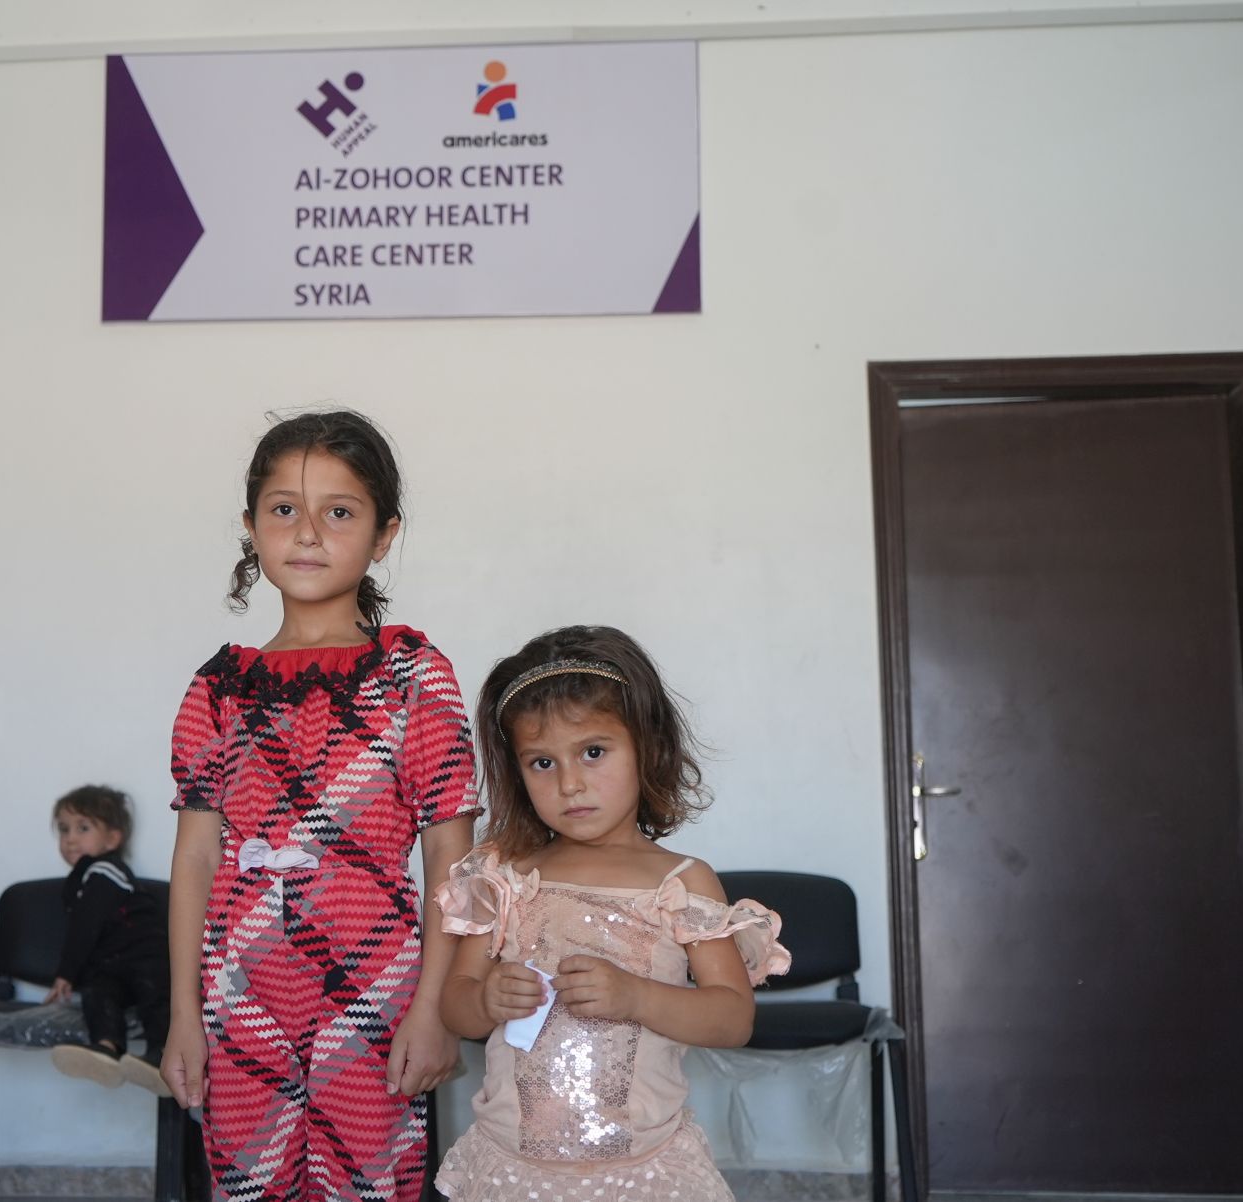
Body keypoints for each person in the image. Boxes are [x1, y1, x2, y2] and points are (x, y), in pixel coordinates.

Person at [162, 409, 480, 1201]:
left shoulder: (413, 675)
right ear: (250, 527)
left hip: (376, 983)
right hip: (239, 986)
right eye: (284, 509)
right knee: (250, 1183)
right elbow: (196, 857)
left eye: (339, 512)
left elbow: (452, 857)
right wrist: (183, 1013)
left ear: (383, 535)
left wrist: (434, 1007)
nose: (307, 533)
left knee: (368, 1184)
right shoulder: (218, 687)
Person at [434, 626, 793, 1201]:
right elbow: (457, 1005)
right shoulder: (503, 875)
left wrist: (635, 996)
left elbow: (732, 1019)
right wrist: (484, 1000)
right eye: (542, 762)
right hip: (514, 1171)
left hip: (643, 1172)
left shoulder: (681, 882)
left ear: (647, 746)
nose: (570, 784)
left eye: (593, 752)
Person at [45, 785, 171, 1095]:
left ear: (112, 839)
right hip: (113, 965)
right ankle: (106, 1048)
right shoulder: (81, 879)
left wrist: (66, 973)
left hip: (146, 955)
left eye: (83, 828)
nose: (70, 838)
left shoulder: (105, 870)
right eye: (64, 829)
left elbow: (85, 927)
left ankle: (164, 1055)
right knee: (98, 992)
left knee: (156, 996)